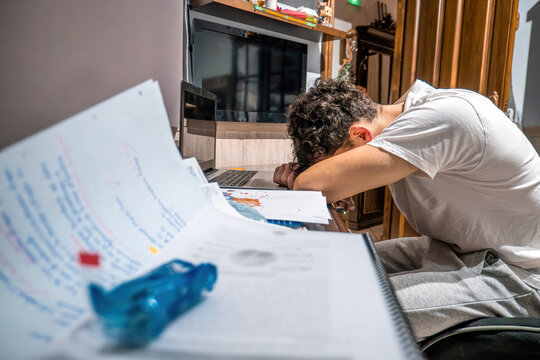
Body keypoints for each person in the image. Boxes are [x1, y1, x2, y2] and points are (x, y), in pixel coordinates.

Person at [274, 79, 540, 341]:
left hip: (517, 273)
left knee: (333, 310)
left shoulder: (444, 117)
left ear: (361, 135)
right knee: (334, 265)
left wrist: (308, 180)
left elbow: (312, 183)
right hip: (457, 249)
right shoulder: (408, 118)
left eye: (339, 163)